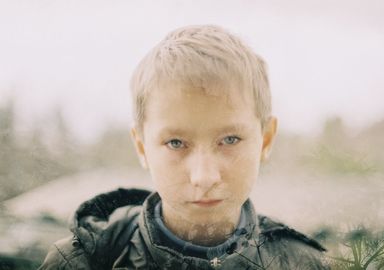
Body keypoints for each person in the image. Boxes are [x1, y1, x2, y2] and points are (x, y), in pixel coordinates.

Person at [39, 25, 329, 270]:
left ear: (265, 139)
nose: (204, 177)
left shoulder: (302, 263)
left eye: (229, 140)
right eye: (176, 143)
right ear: (141, 147)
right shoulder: (78, 262)